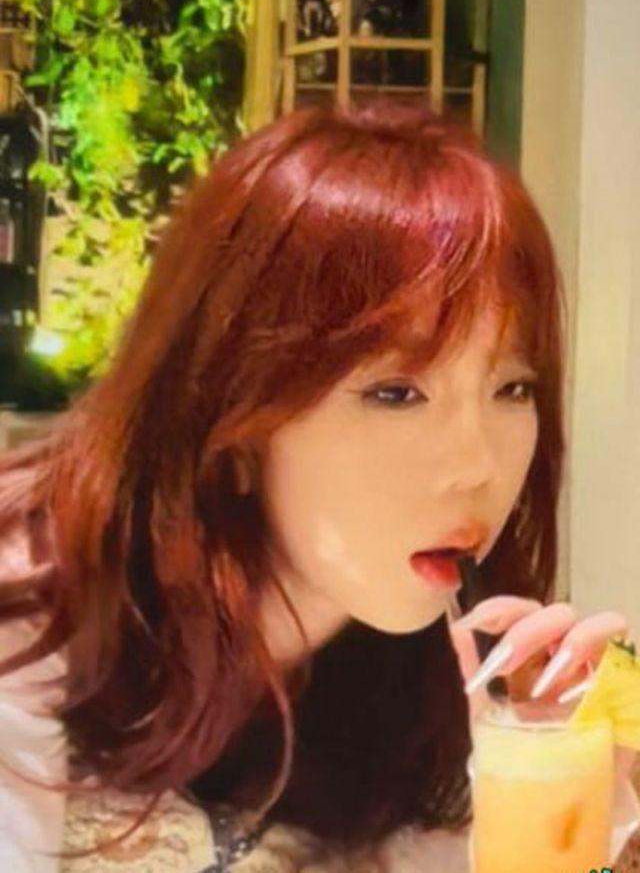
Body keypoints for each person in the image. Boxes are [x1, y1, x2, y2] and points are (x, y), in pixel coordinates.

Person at [0, 99, 637, 872]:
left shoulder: (439, 685)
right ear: (231, 412)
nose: (478, 464)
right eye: (396, 392)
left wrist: (547, 818)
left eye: (513, 387)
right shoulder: (34, 613)